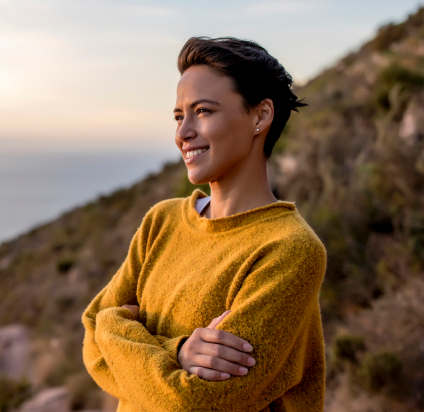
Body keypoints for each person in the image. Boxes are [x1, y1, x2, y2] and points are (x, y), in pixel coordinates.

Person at [82, 36, 327, 412]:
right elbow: (91, 336)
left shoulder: (288, 249)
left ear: (260, 116)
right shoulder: (161, 221)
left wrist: (114, 328)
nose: (183, 133)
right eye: (180, 116)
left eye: (204, 111)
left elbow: (196, 401)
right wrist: (176, 350)